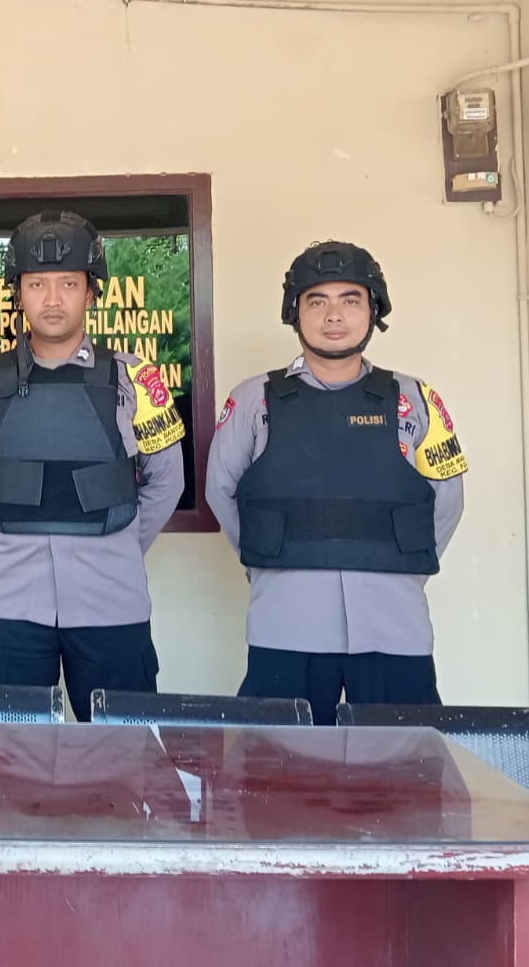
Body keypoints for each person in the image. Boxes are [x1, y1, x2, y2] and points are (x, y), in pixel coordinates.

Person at [206, 240, 467, 725]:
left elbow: (447, 500)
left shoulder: (417, 399)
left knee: (402, 764)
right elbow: (221, 492)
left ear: (373, 310)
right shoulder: (252, 400)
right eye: (317, 301)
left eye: (350, 299)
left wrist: (401, 569)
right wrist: (269, 563)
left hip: (394, 627)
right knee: (279, 765)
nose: (334, 315)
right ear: (295, 312)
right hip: (285, 624)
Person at [0, 210, 186, 722]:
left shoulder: (136, 378)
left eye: (68, 283)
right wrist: (12, 538)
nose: (53, 299)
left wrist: (117, 542)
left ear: (92, 292)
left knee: (124, 757)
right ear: (19, 292)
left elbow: (169, 480)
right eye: (37, 284)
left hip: (113, 603)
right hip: (9, 603)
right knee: (3, 755)